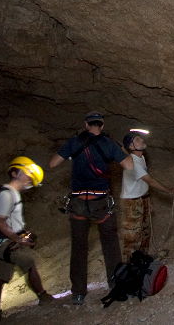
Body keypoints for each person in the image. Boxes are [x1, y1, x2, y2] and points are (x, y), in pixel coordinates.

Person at [49, 111, 134, 305]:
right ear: (102, 126)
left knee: (79, 248)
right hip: (100, 202)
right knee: (110, 245)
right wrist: (121, 150)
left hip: (78, 203)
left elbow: (53, 163)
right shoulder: (108, 143)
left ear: (86, 125)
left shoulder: (74, 142)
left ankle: (78, 292)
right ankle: (116, 286)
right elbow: (129, 166)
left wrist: (71, 149)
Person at [0, 156, 53, 322]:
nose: (29, 178)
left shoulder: (11, 194)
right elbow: (0, 222)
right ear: (15, 173)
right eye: (27, 174)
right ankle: (43, 296)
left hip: (1, 242)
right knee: (29, 262)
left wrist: (22, 233)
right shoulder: (7, 195)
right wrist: (18, 239)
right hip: (4, 242)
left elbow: (7, 221)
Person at [119, 129, 174, 258]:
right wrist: (170, 190)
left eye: (140, 138)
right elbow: (150, 181)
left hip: (142, 198)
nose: (141, 140)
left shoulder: (140, 158)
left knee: (145, 232)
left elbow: (143, 184)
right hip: (132, 202)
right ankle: (129, 267)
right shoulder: (134, 162)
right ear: (131, 146)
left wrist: (148, 200)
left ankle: (142, 261)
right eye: (137, 139)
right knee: (132, 237)